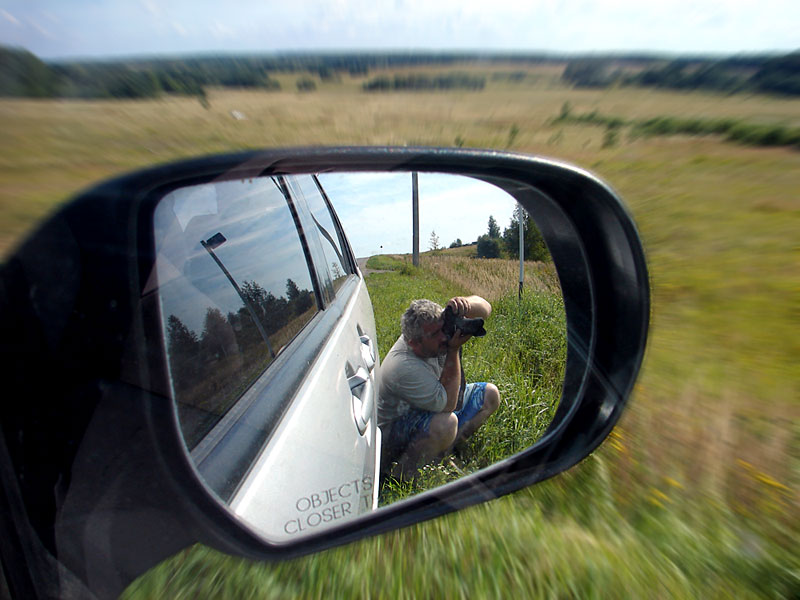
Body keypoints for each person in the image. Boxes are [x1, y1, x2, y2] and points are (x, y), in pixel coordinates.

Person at [378, 296, 500, 477]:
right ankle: (402, 474)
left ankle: (443, 453)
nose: (444, 336)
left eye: (443, 329)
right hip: (394, 431)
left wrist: (464, 304)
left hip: (429, 405)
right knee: (446, 423)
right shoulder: (403, 366)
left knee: (490, 395)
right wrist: (453, 350)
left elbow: (486, 307)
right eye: (435, 335)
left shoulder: (434, 323)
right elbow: (449, 404)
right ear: (414, 343)